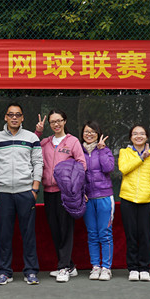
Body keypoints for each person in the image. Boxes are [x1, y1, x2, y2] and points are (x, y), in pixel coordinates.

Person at [0, 103, 43, 286]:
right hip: (3, 193)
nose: (14, 117)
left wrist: (34, 189)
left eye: (17, 115)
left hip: (26, 192)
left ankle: (31, 271)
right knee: (4, 235)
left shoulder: (31, 138)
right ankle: (4, 272)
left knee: (28, 234)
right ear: (5, 117)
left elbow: (38, 163)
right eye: (10, 114)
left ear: (22, 118)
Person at [36, 109, 86, 283]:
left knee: (66, 229)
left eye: (59, 120)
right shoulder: (45, 143)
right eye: (52, 122)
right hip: (48, 192)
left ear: (64, 121)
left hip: (66, 193)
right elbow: (30, 147)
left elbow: (81, 164)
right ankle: (69, 266)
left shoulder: (73, 141)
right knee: (55, 230)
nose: (56, 124)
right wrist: (38, 132)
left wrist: (74, 186)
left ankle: (63, 267)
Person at [117, 124, 150, 282]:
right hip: (127, 199)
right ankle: (133, 268)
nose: (138, 136)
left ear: (147, 137)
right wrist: (141, 158)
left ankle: (144, 268)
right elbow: (124, 169)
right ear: (131, 137)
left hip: (146, 201)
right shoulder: (124, 152)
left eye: (142, 134)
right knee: (131, 235)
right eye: (135, 134)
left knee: (145, 235)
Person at [81, 121, 115, 281]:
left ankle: (106, 268)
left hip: (104, 197)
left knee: (105, 233)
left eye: (93, 132)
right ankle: (95, 266)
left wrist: (101, 150)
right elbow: (76, 175)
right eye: (86, 131)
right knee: (92, 234)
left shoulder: (105, 150)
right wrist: (81, 192)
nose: (89, 134)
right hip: (87, 199)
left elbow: (108, 168)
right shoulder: (78, 151)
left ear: (98, 134)